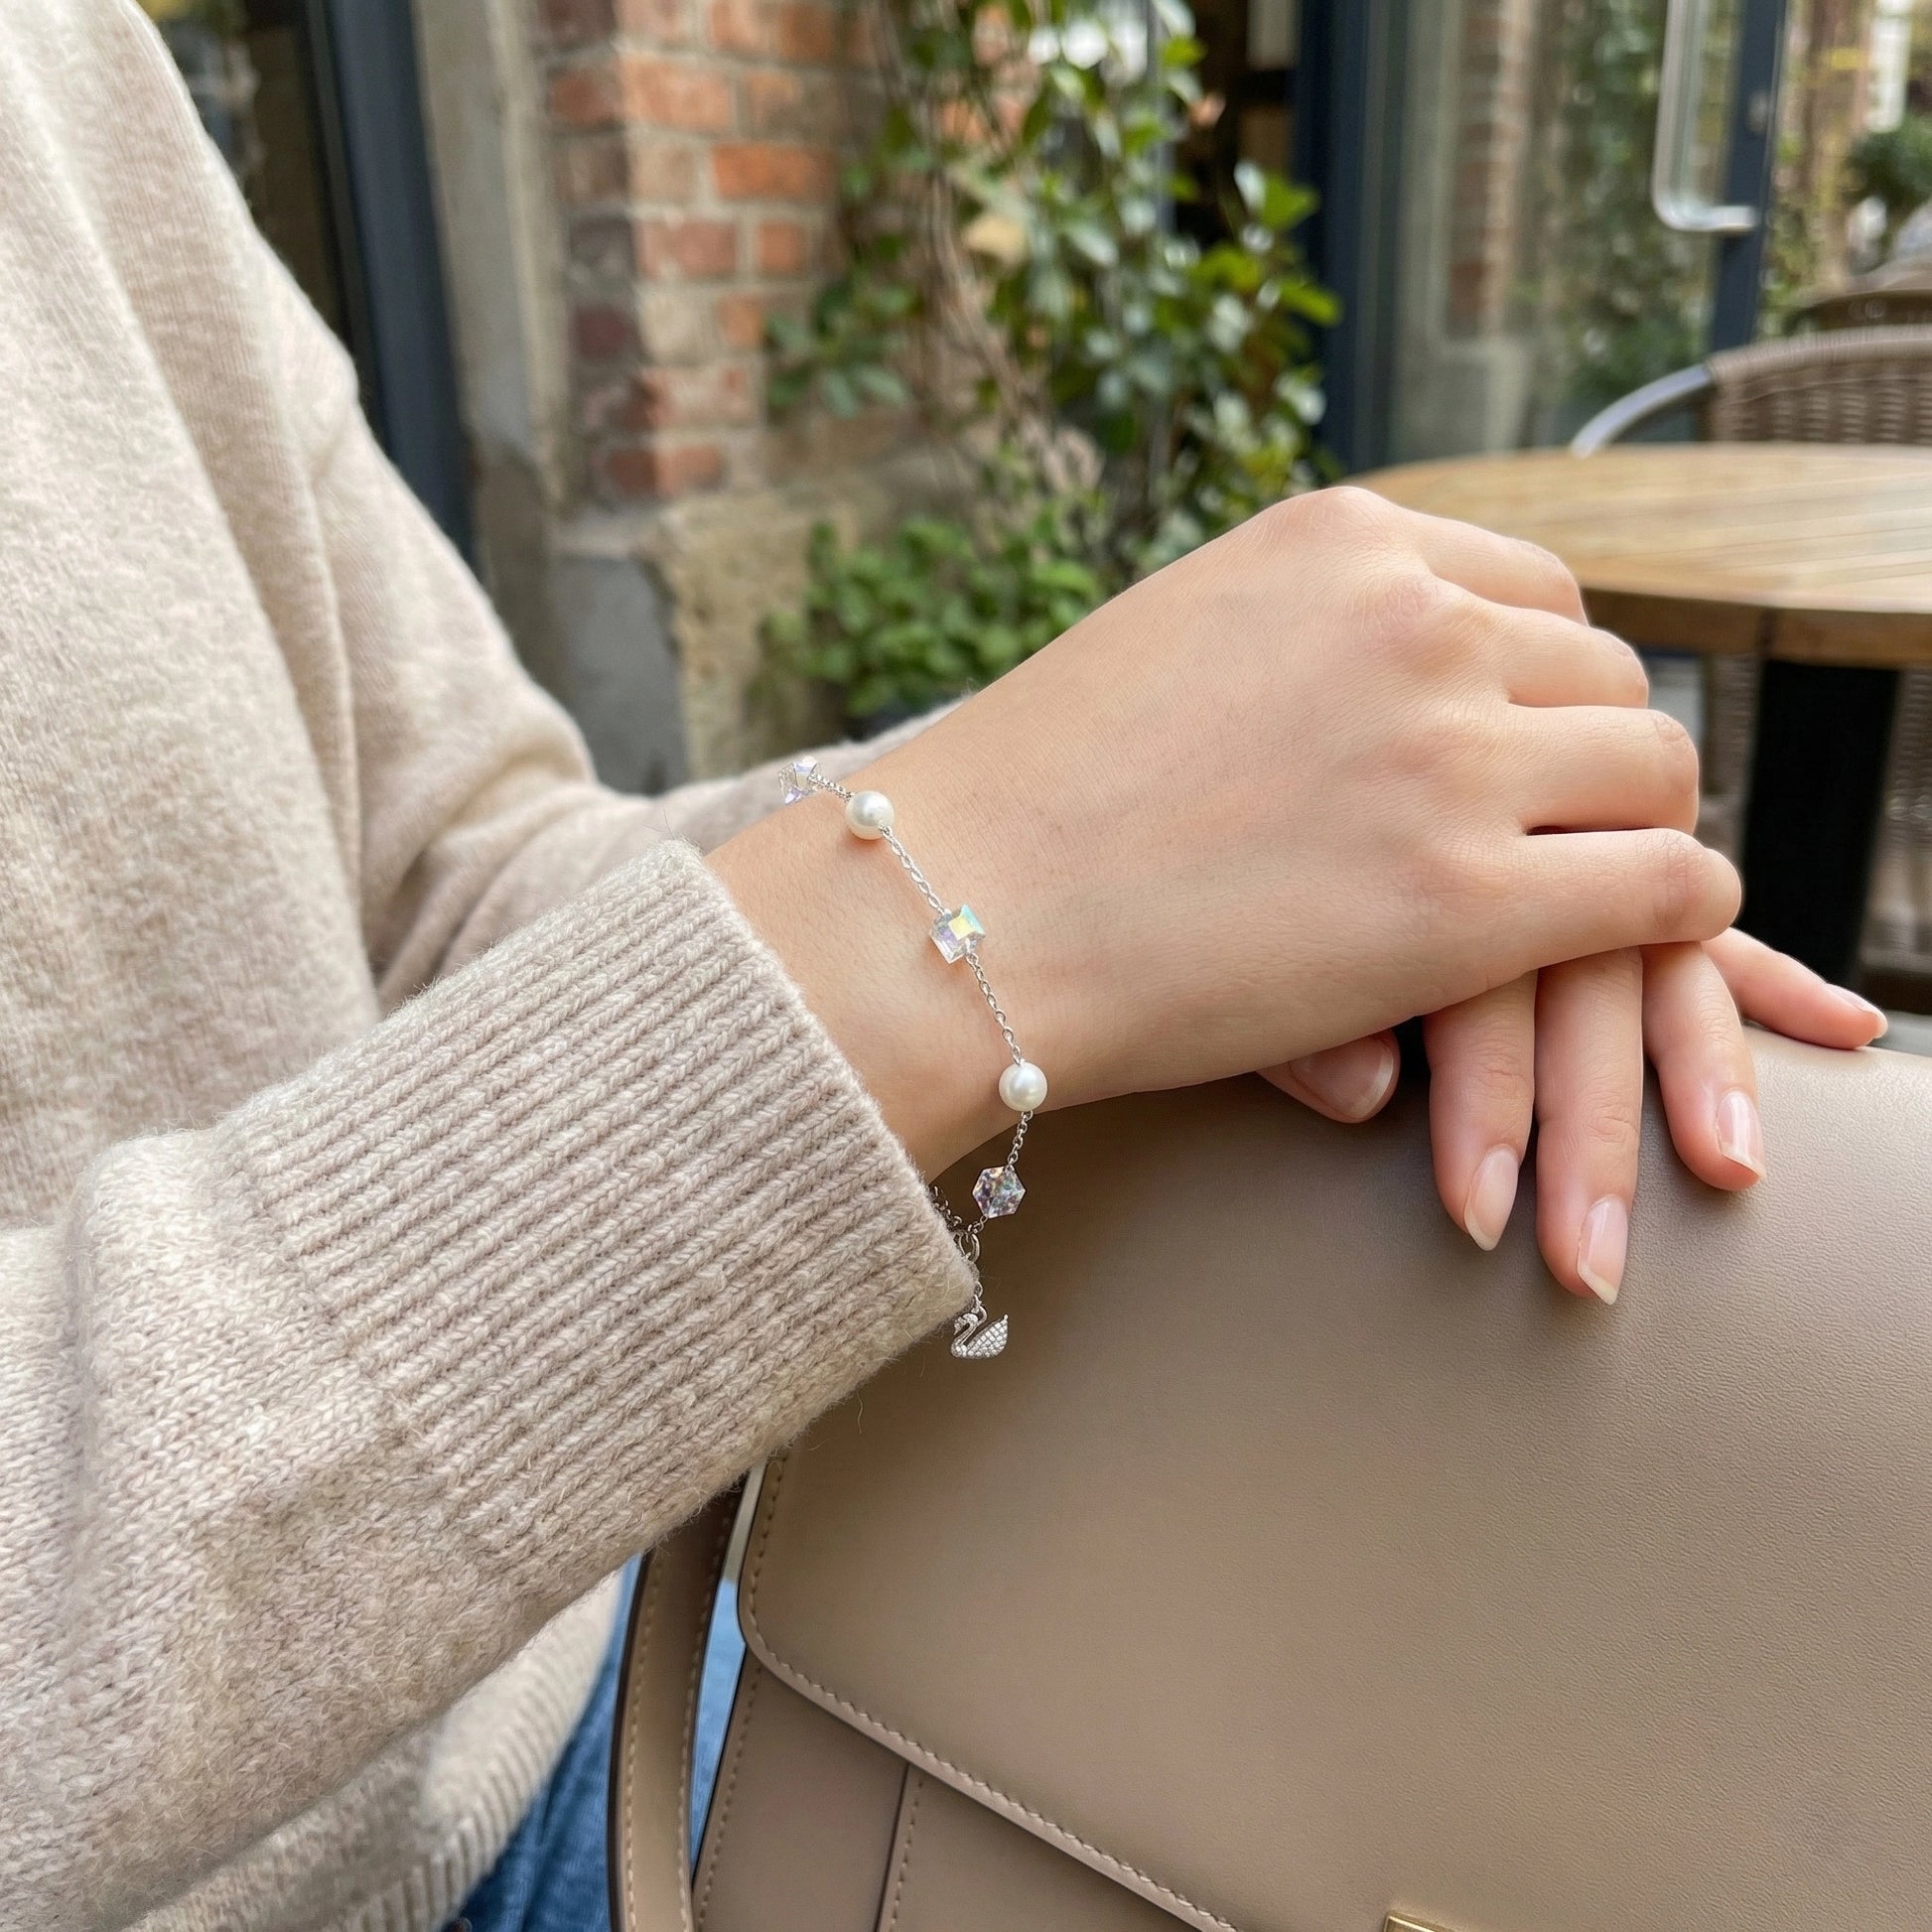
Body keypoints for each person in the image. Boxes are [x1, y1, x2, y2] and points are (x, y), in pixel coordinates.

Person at [0, 5, 1883, 1929]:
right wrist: (960, 912)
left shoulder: (66, 70)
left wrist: (1180, 834)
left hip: (603, 1646)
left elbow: (459, 876)